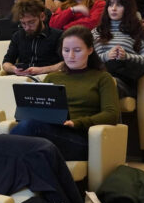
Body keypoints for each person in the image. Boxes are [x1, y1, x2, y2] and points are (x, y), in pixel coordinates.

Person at [10, 25, 120, 160]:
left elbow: (112, 114)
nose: (71, 56)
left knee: (29, 128)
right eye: (66, 50)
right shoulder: (53, 77)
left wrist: (77, 123)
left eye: (77, 50)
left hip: (80, 139)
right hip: (49, 132)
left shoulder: (102, 78)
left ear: (90, 50)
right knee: (28, 131)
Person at [93, 0, 144, 97]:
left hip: (124, 80)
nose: (113, 8)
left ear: (128, 8)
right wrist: (107, 56)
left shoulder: (139, 31)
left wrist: (126, 56)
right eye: (110, 4)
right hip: (100, 74)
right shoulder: (97, 31)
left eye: (119, 5)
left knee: (107, 84)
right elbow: (91, 59)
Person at [2, 0, 63, 76]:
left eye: (31, 22)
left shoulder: (58, 35)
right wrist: (14, 69)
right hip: (22, 78)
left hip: (48, 77)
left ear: (42, 16)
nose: (27, 27)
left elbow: (66, 63)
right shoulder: (17, 36)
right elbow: (6, 63)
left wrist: (42, 70)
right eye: (23, 23)